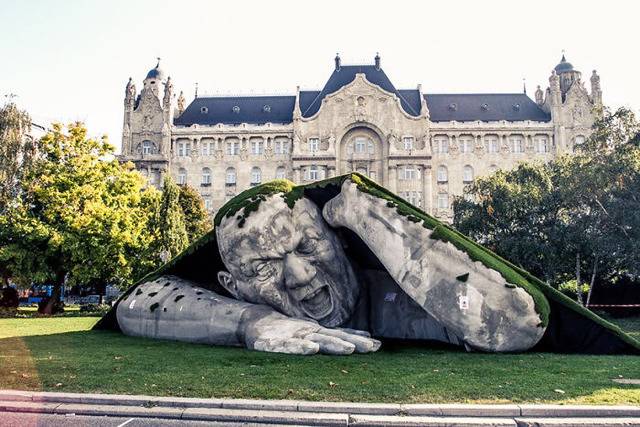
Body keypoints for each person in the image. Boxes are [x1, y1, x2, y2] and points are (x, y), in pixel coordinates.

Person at [116, 177, 546, 355]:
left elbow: (521, 324)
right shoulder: (243, 303)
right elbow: (135, 302)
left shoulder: (414, 298)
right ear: (233, 285)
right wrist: (251, 323)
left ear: (338, 238)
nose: (298, 275)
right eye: (264, 268)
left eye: (307, 244)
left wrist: (372, 216)